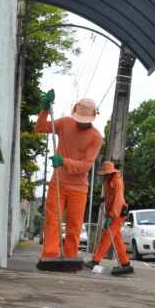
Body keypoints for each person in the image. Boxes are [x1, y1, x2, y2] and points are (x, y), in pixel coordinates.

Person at [34, 90, 103, 264]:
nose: (81, 124)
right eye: (79, 119)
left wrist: (63, 161)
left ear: (94, 117)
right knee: (52, 221)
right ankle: (49, 257)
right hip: (58, 183)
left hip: (79, 189)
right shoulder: (64, 123)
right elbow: (40, 128)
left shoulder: (96, 137)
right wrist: (44, 109)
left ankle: (70, 261)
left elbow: (86, 166)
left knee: (74, 227)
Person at [86, 161, 133, 274]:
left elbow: (118, 200)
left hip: (118, 213)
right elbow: (109, 195)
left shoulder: (118, 181)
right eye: (104, 174)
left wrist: (111, 217)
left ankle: (95, 260)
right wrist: (103, 199)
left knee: (106, 236)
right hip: (111, 212)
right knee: (116, 238)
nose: (105, 175)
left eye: (107, 173)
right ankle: (125, 263)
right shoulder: (106, 181)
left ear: (112, 172)